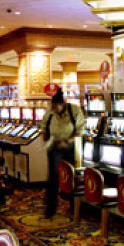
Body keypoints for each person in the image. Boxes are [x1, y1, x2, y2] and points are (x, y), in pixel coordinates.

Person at [41, 88, 85, 218]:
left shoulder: (74, 111)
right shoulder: (50, 112)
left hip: (70, 147)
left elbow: (80, 131)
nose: (54, 110)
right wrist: (46, 139)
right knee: (53, 178)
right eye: (52, 107)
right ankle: (50, 209)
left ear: (63, 104)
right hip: (54, 147)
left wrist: (66, 141)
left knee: (72, 176)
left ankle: (74, 206)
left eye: (56, 107)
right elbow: (44, 126)